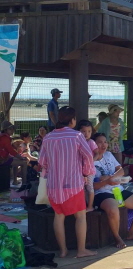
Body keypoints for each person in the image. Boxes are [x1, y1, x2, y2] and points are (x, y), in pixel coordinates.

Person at [38, 106, 97, 258]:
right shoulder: (77, 136)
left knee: (59, 216)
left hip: (53, 185)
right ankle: (81, 250)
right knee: (81, 216)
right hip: (74, 184)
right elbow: (88, 156)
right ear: (72, 120)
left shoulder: (48, 137)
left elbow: (42, 161)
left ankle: (63, 251)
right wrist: (87, 172)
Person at [91, 132, 133, 249]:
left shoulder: (108, 154)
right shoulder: (89, 160)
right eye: (100, 142)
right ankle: (117, 237)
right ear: (93, 144)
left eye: (105, 142)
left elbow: (121, 170)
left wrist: (110, 178)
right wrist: (106, 182)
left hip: (117, 189)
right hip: (101, 193)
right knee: (113, 209)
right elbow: (91, 186)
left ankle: (131, 232)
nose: (103, 145)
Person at [76, 120, 100, 212]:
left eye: (89, 131)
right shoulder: (77, 142)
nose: (86, 134)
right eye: (84, 131)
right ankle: (83, 205)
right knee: (81, 188)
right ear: (79, 131)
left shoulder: (91, 142)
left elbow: (97, 153)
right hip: (79, 169)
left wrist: (91, 161)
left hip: (89, 170)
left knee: (89, 187)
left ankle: (90, 206)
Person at [0, 121, 27, 187]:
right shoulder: (5, 138)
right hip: (2, 160)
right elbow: (11, 151)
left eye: (13, 129)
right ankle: (24, 183)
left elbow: (7, 151)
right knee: (24, 162)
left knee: (15, 160)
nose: (12, 131)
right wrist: (21, 157)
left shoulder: (2, 136)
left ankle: (15, 181)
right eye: (10, 129)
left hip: (3, 158)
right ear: (5, 130)